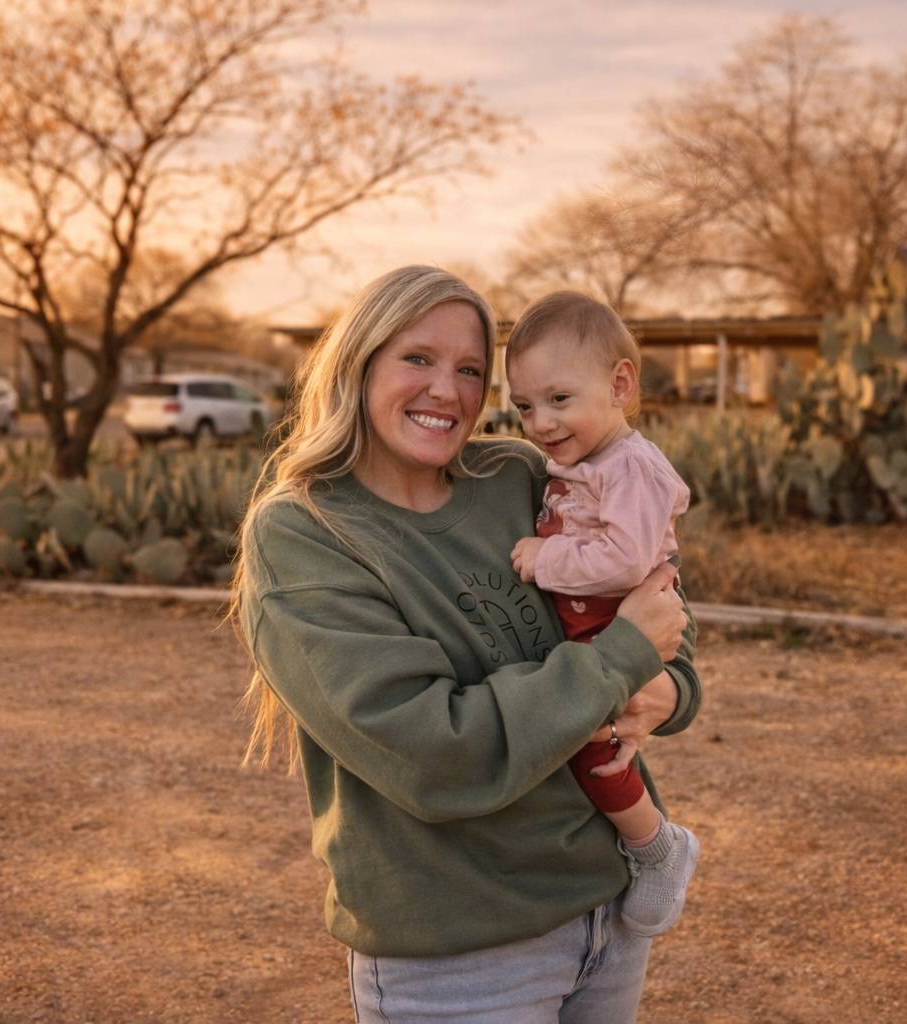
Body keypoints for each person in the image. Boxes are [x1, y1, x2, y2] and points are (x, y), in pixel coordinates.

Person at [234, 265, 700, 1023]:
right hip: (457, 955)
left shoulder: (518, 476)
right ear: (359, 360)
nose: (447, 391)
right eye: (417, 358)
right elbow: (432, 756)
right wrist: (617, 664)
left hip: (606, 913)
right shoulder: (303, 534)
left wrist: (669, 687)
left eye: (471, 370)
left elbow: (655, 607)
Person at [505, 290, 698, 939]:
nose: (539, 421)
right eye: (524, 406)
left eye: (559, 399)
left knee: (593, 751)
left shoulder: (632, 467)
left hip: (613, 625)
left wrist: (546, 557)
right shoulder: (586, 461)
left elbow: (624, 559)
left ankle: (658, 849)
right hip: (592, 628)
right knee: (590, 742)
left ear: (619, 385)